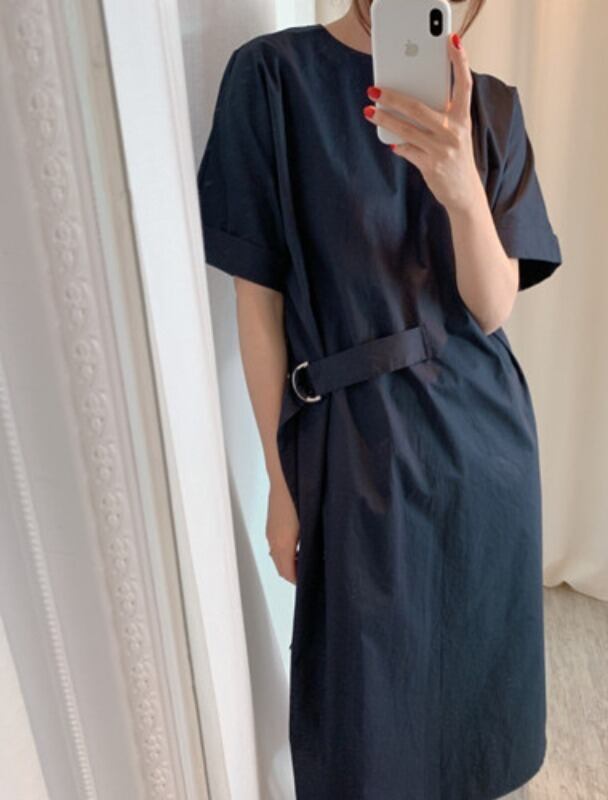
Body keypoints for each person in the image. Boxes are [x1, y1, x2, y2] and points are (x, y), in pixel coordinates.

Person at [196, 1, 562, 797]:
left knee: (473, 718)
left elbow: (493, 307)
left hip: (483, 448)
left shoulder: (493, 107)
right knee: (363, 722)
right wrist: (280, 485)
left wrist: (461, 189)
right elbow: (258, 308)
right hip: (353, 448)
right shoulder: (272, 80)